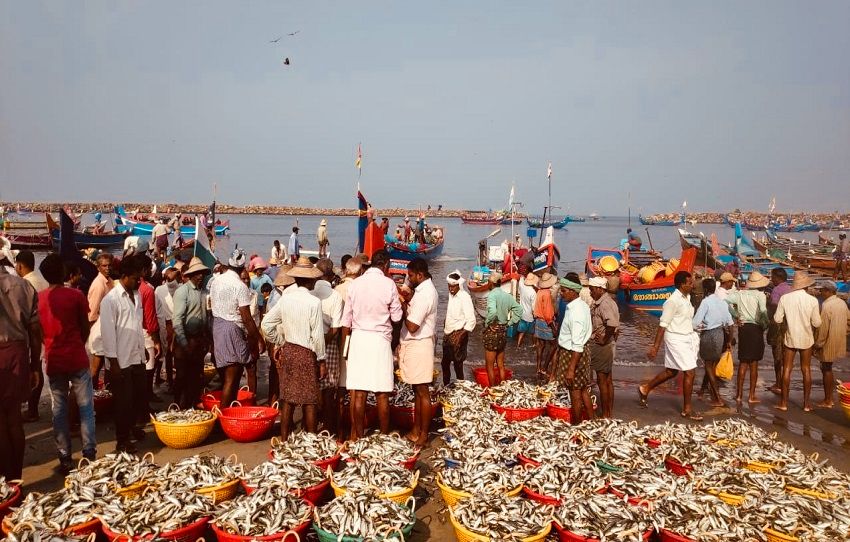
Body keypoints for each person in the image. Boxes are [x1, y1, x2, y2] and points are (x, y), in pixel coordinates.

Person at [37, 254, 96, 472]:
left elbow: (38, 331)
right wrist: (78, 343)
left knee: (59, 410)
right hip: (76, 357)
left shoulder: (40, 298)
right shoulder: (76, 295)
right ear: (63, 273)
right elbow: (85, 326)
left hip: (54, 359)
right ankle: (89, 453)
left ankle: (65, 456)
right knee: (85, 407)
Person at [261, 258, 326, 440]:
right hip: (306, 353)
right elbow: (318, 336)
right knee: (310, 399)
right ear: (309, 280)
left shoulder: (286, 299)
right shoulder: (314, 302)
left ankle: (284, 439)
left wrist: (280, 341)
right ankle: (312, 442)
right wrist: (321, 360)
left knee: (288, 397)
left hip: (289, 350)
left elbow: (266, 324)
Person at [340, 249, 402, 440]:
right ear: (386, 265)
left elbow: (346, 321)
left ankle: (358, 436)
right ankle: (383, 437)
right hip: (380, 341)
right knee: (382, 393)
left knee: (359, 393)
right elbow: (397, 316)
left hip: (359, 340)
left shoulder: (355, 284)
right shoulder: (389, 284)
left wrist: (346, 349)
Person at [100, 255, 154, 453]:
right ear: (124, 276)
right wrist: (113, 363)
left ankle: (132, 429)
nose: (137, 282)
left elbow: (137, 325)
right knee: (123, 402)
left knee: (137, 398)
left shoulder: (136, 295)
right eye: (134, 279)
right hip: (120, 360)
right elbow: (108, 334)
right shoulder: (110, 301)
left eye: (139, 279)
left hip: (136, 355)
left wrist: (143, 351)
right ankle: (122, 440)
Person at [639, 271, 703, 420]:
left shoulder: (687, 297)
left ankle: (645, 388)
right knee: (690, 372)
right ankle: (687, 409)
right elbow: (662, 325)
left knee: (671, 372)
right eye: (689, 282)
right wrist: (655, 347)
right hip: (676, 339)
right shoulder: (672, 301)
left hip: (687, 337)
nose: (692, 284)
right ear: (682, 285)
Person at [0, 258, 41, 480]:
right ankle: (15, 477)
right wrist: (35, 365)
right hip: (18, 353)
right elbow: (35, 331)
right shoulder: (23, 286)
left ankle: (5, 478)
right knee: (13, 418)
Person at [209, 249, 265, 410]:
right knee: (231, 378)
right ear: (242, 269)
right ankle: (224, 416)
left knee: (228, 375)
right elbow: (247, 318)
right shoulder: (240, 286)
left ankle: (228, 412)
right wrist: (258, 339)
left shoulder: (216, 281)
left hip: (217, 326)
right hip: (232, 328)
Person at [399, 258, 438, 446]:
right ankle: (416, 429)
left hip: (420, 344)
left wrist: (404, 306)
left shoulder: (425, 294)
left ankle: (423, 435)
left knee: (422, 391)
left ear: (420, 275)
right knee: (417, 389)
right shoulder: (422, 291)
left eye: (411, 275)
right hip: (418, 344)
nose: (409, 279)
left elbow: (413, 326)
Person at [774, 271, 821, 412]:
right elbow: (817, 323)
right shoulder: (813, 300)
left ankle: (783, 403)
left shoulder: (785, 298)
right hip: (807, 338)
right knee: (806, 370)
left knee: (787, 368)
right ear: (806, 285)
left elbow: (777, 319)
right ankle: (806, 404)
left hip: (790, 337)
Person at [552, 276, 594, 421]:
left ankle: (576, 425)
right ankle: (590, 421)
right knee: (582, 390)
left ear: (572, 291)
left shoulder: (576, 312)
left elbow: (577, 344)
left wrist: (571, 369)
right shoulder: (581, 305)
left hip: (574, 354)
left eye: (563, 291)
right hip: (578, 352)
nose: (561, 293)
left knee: (574, 392)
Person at [725, 271, 770, 405]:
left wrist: (735, 315)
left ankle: (738, 395)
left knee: (743, 362)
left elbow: (725, 301)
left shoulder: (740, 294)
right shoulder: (761, 296)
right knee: (754, 363)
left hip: (743, 328)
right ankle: (751, 395)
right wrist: (766, 325)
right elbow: (763, 312)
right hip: (755, 329)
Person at [171, 257, 210, 409]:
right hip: (185, 339)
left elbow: (207, 317)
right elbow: (177, 320)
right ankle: (176, 404)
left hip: (199, 340)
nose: (200, 276)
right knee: (181, 375)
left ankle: (190, 404)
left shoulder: (204, 292)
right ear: (191, 275)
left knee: (196, 375)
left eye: (202, 273)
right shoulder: (183, 291)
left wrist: (207, 339)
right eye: (197, 273)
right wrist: (184, 343)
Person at [15, 250, 48, 422]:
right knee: (37, 368)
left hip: (31, 332)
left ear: (19, 265)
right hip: (42, 332)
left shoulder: (25, 284)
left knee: (31, 370)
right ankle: (32, 408)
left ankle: (32, 409)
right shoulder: (42, 280)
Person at [312, 259, 344, 434]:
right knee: (329, 390)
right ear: (331, 275)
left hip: (310, 345)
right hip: (329, 345)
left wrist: (315, 342)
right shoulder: (336, 296)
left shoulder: (309, 293)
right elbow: (336, 329)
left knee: (312, 386)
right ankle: (328, 428)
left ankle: (310, 427)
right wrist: (323, 342)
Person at [693, 278, 734, 407]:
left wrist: (694, 328)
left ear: (705, 290)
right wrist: (728, 341)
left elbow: (695, 322)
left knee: (708, 365)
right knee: (711, 364)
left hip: (709, 335)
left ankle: (717, 397)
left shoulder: (705, 302)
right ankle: (703, 390)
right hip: (720, 334)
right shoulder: (722, 302)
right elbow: (731, 324)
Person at [813, 281, 850, 408]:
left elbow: (823, 330)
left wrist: (818, 344)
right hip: (839, 340)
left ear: (828, 291)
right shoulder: (842, 303)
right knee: (828, 368)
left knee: (826, 369)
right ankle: (829, 398)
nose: (820, 292)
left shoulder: (826, 306)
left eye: (822, 290)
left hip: (829, 341)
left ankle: (828, 400)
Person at [482, 272, 522, 386]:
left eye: (488, 282)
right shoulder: (507, 296)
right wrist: (509, 323)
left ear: (491, 283)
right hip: (503, 330)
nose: (488, 284)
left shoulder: (492, 295)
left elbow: (493, 312)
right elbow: (519, 310)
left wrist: (488, 323)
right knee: (500, 364)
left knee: (489, 365)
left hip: (493, 331)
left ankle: (492, 389)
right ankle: (503, 388)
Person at [588, 276, 619, 418]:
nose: (590, 292)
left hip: (603, 346)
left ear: (600, 289)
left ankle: (606, 413)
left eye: (592, 290)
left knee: (602, 380)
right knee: (607, 379)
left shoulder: (604, 303)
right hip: (607, 344)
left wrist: (604, 338)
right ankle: (609, 411)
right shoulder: (605, 301)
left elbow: (612, 324)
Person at [264, 265, 295, 406]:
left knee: (275, 371)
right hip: (280, 337)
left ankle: (273, 400)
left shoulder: (274, 294)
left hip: (274, 337)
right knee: (281, 373)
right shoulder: (281, 296)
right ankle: (279, 404)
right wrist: (281, 341)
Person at [136, 254, 162, 405]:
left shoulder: (129, 288)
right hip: (146, 333)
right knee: (148, 368)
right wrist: (156, 340)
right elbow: (150, 319)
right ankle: (145, 404)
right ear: (145, 270)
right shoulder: (147, 290)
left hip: (133, 333)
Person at [442, 271, 476, 385]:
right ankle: (446, 387)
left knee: (458, 364)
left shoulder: (464, 297)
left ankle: (461, 387)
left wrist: (460, 337)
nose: (451, 289)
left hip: (459, 334)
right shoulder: (451, 295)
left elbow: (471, 320)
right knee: (444, 363)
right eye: (449, 286)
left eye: (453, 287)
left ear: (459, 285)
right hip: (448, 333)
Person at [154, 266, 180, 389]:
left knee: (169, 354)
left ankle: (169, 379)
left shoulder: (176, 288)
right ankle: (169, 380)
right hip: (167, 324)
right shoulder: (161, 289)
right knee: (168, 353)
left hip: (172, 323)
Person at [766, 267, 790, 394]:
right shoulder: (790, 289)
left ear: (777, 278)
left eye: (772, 277)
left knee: (777, 356)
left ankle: (778, 383)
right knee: (787, 357)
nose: (771, 279)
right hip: (789, 326)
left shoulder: (776, 290)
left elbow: (774, 309)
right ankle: (784, 383)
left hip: (778, 326)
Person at [532, 272, 559, 378]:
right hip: (545, 321)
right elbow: (548, 314)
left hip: (538, 320)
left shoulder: (539, 292)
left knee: (540, 346)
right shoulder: (547, 294)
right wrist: (553, 327)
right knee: (554, 345)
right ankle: (544, 368)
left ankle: (538, 367)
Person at [517, 268, 536, 348]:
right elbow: (533, 307)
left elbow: (521, 278)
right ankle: (534, 344)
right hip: (530, 316)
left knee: (522, 332)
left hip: (522, 314)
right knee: (533, 333)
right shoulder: (533, 293)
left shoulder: (522, 287)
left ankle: (518, 346)